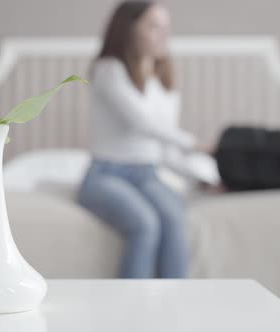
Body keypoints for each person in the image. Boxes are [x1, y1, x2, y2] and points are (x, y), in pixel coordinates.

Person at [77, 0, 194, 278]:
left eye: (166, 28)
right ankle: (133, 313)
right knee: (145, 223)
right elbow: (143, 123)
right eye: (154, 27)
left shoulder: (163, 82)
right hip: (105, 175)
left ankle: (177, 306)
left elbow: (165, 150)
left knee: (175, 217)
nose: (164, 35)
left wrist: (203, 178)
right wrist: (193, 143)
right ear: (129, 29)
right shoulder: (108, 70)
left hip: (148, 175)